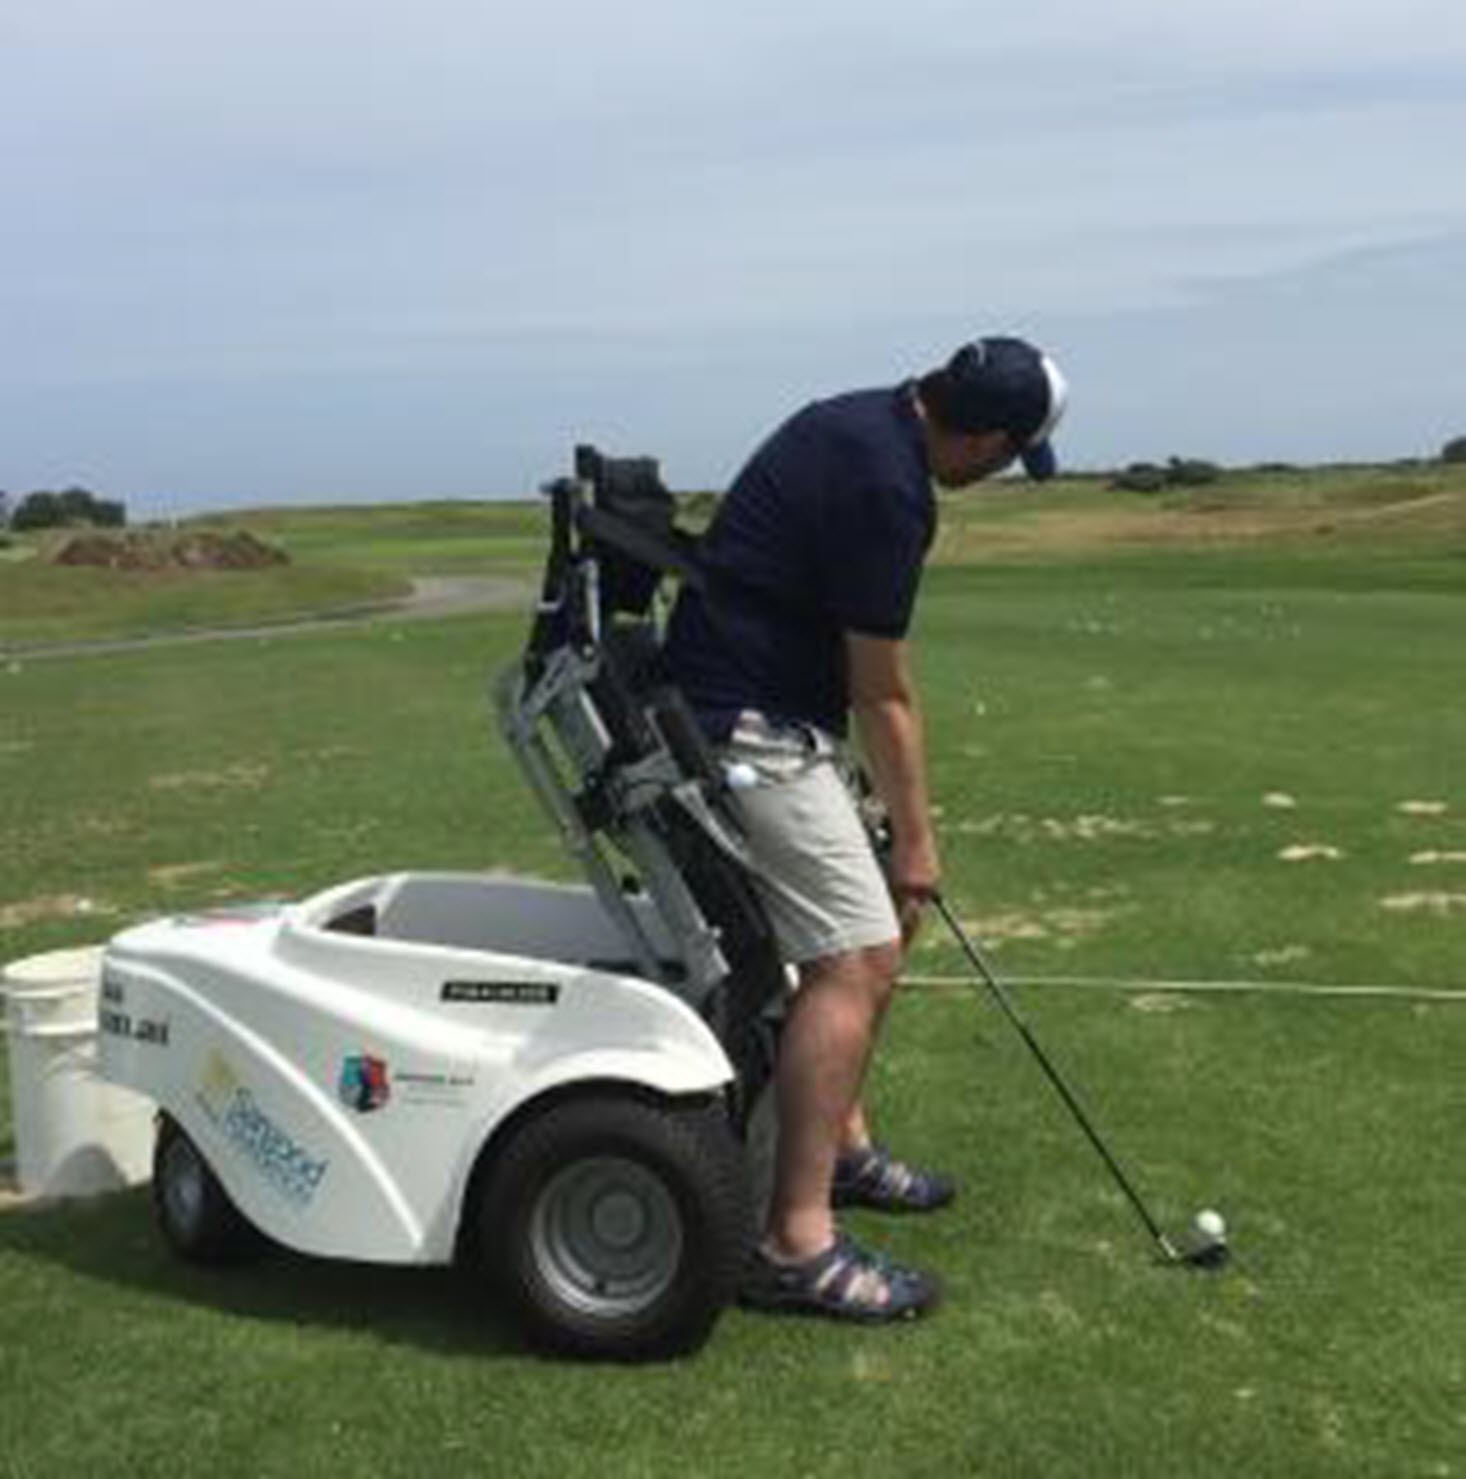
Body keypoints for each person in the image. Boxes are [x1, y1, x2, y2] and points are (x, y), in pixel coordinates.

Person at [663, 335, 1069, 1322]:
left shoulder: (857, 420)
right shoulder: (890, 486)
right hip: (742, 727)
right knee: (855, 955)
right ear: (981, 439)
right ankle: (789, 1241)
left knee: (877, 931)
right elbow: (881, 690)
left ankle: (837, 1147)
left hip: (759, 711)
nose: (1000, 473)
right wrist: (917, 839)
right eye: (1010, 457)